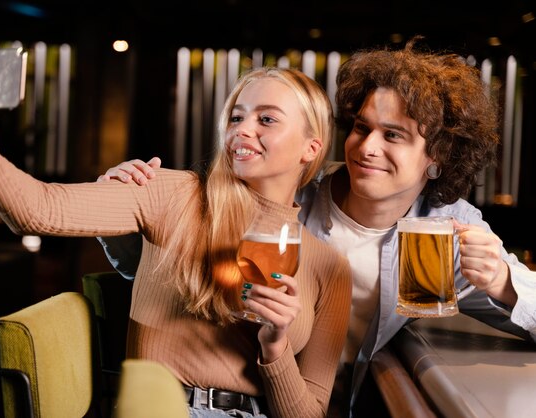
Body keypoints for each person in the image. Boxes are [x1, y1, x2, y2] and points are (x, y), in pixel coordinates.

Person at [0, 23, 352, 418]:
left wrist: (275, 349)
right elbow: (39, 209)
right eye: (237, 117)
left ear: (310, 148)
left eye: (267, 119)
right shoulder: (173, 193)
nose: (242, 129)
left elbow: (310, 413)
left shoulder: (329, 268)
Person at [97, 36, 536, 417]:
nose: (366, 148)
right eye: (362, 128)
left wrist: (501, 281)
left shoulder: (444, 230)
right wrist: (121, 209)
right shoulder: (290, 192)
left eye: (393, 135)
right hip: (245, 397)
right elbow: (168, 270)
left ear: (437, 156)